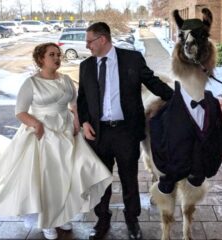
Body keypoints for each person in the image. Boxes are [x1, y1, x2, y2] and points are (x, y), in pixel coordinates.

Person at [0, 43, 113, 240]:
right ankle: (47, 221)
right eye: (52, 55)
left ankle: (61, 216)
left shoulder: (66, 80)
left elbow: (74, 104)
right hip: (43, 136)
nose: (57, 58)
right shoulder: (31, 83)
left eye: (58, 54)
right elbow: (20, 112)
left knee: (68, 176)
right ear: (41, 59)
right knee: (48, 180)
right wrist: (36, 124)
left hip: (67, 133)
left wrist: (76, 122)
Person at [77, 22, 173, 240]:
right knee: (101, 180)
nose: (87, 46)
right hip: (99, 134)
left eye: (89, 41)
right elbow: (82, 99)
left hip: (126, 132)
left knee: (129, 179)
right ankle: (102, 220)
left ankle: (132, 220)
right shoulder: (86, 66)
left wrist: (177, 98)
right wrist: (84, 122)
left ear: (102, 40)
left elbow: (153, 82)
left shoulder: (132, 59)